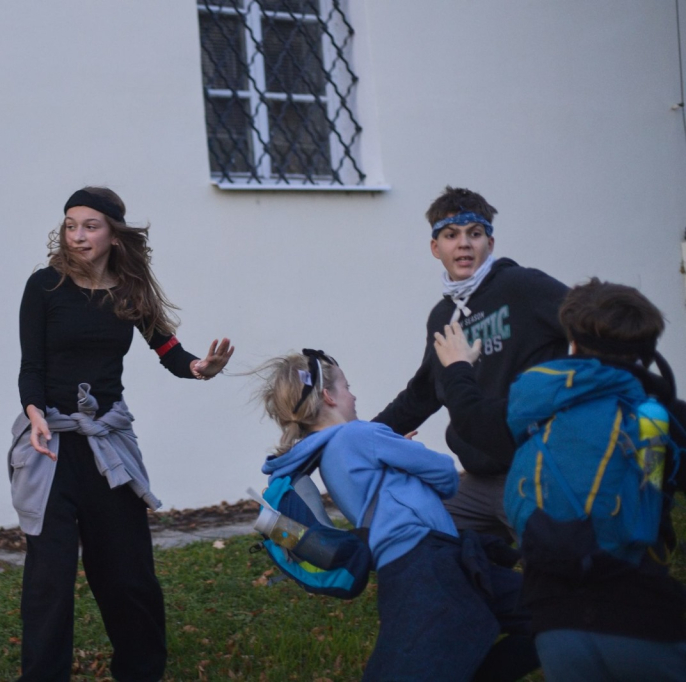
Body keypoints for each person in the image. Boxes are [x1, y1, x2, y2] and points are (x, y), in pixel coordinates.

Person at [10, 187, 234, 682]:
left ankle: (140, 671)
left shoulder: (131, 289)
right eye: (70, 225)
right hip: (50, 445)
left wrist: (199, 367)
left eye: (89, 226)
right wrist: (34, 412)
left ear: (114, 234)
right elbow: (31, 366)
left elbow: (168, 349)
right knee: (50, 581)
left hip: (108, 446)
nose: (77, 235)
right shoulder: (44, 286)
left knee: (128, 575)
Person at [434, 280, 686, 681]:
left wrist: (458, 367)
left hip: (557, 628)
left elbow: (471, 417)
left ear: (571, 342)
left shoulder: (532, 409)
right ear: (646, 346)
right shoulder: (663, 415)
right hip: (647, 619)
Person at [258, 349, 537, 682]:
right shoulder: (359, 434)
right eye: (347, 387)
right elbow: (445, 475)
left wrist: (396, 460)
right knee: (549, 614)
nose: (353, 396)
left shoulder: (325, 455)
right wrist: (407, 451)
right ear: (329, 397)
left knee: (547, 610)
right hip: (427, 563)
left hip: (416, 565)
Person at [373, 186, 568, 541]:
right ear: (435, 248)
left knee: (556, 564)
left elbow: (593, 323)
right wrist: (362, 436)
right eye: (451, 235)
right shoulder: (443, 317)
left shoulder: (522, 287)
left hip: (535, 470)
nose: (463, 244)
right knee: (416, 535)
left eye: (474, 234)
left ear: (489, 243)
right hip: (477, 480)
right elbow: (422, 394)